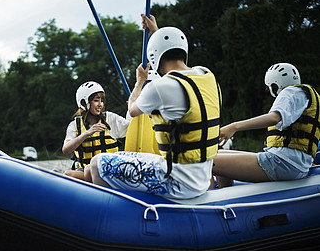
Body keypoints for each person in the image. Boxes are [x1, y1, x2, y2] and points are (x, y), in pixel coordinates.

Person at [85, 15, 221, 199]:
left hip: (177, 181)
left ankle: (117, 217)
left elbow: (133, 109)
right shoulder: (207, 75)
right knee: (96, 169)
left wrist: (140, 82)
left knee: (95, 164)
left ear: (155, 56)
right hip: (202, 177)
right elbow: (177, 70)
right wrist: (157, 34)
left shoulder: (159, 87)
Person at [212, 63, 320, 188]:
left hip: (283, 163)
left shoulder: (290, 92)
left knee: (209, 161)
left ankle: (205, 202)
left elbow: (274, 118)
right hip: (294, 164)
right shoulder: (308, 96)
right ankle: (226, 194)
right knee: (216, 154)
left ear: (276, 85)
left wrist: (234, 127)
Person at [62, 81, 130, 180]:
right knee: (69, 174)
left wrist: (135, 109)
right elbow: (66, 150)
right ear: (84, 102)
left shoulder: (111, 119)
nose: (100, 104)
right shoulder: (74, 126)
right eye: (96, 100)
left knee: (89, 169)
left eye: (102, 100)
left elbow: (133, 129)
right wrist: (86, 134)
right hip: (84, 171)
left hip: (109, 170)